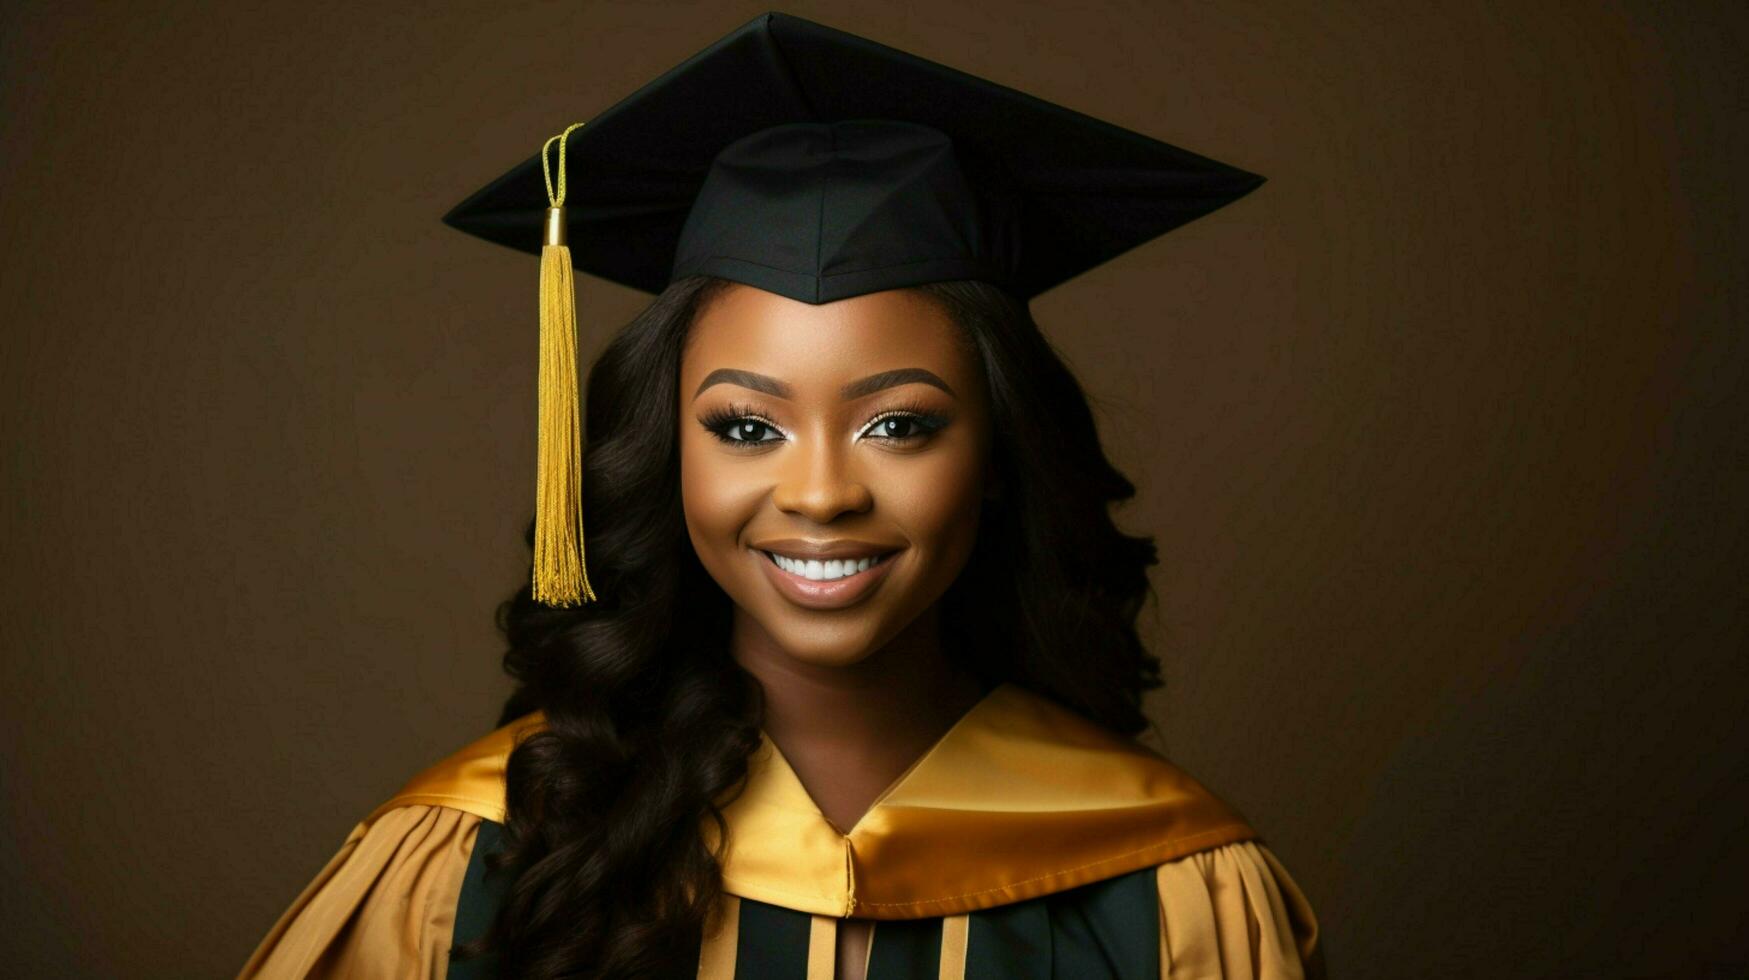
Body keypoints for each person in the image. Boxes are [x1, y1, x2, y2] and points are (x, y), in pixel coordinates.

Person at [239, 11, 1323, 980]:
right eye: (745, 426)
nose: (818, 492)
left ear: (997, 454)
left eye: (898, 424)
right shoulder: (475, 856)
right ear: (667, 449)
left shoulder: (1170, 890)